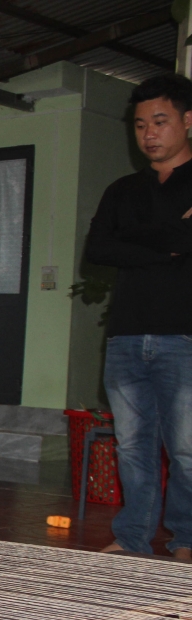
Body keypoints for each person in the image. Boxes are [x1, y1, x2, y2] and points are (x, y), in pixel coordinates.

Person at [86, 73, 192, 560]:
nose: (149, 133)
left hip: (185, 337)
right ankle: (132, 540)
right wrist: (171, 240)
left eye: (160, 121)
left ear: (187, 122)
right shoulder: (122, 189)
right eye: (140, 124)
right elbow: (99, 248)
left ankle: (187, 538)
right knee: (133, 449)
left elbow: (124, 245)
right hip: (126, 337)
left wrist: (143, 240)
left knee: (188, 450)